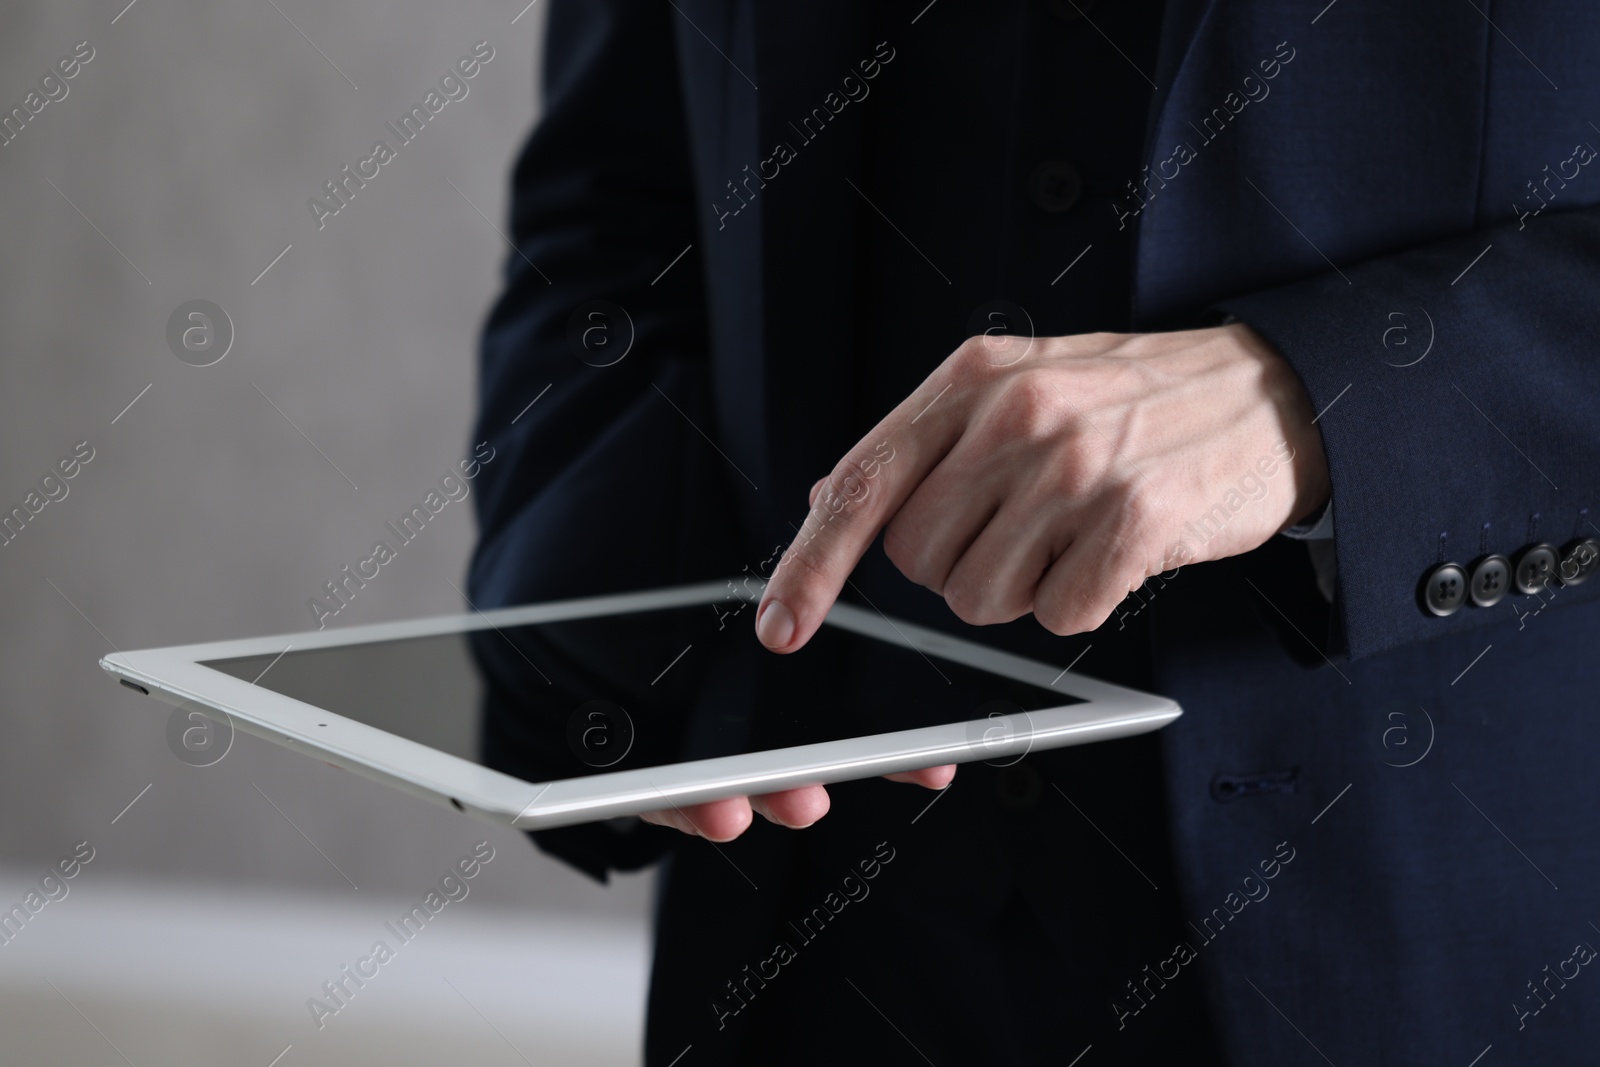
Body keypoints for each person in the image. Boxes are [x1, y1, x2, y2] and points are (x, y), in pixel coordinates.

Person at [469, 1, 1600, 1063]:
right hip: (809, 926)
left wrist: (1320, 404)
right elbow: (616, 202)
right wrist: (610, 638)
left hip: (1429, 922)